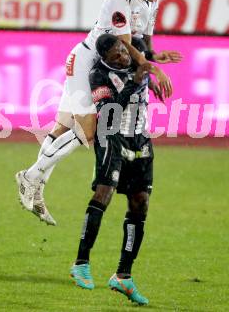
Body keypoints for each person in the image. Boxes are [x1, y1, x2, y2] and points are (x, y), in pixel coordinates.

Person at [15, 0, 181, 225]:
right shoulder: (120, 0)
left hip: (94, 65)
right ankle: (31, 177)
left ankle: (36, 188)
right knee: (87, 131)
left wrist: (154, 55)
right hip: (85, 63)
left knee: (62, 128)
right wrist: (153, 69)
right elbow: (126, 47)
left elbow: (143, 40)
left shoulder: (152, 1)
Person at [70, 33, 156, 305]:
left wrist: (158, 65)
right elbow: (110, 113)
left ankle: (123, 276)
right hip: (112, 136)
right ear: (105, 60)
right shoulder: (99, 77)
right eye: (115, 55)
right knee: (104, 195)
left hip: (140, 138)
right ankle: (81, 262)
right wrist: (134, 82)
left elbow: (147, 49)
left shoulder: (136, 53)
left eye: (122, 49)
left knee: (140, 203)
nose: (122, 56)